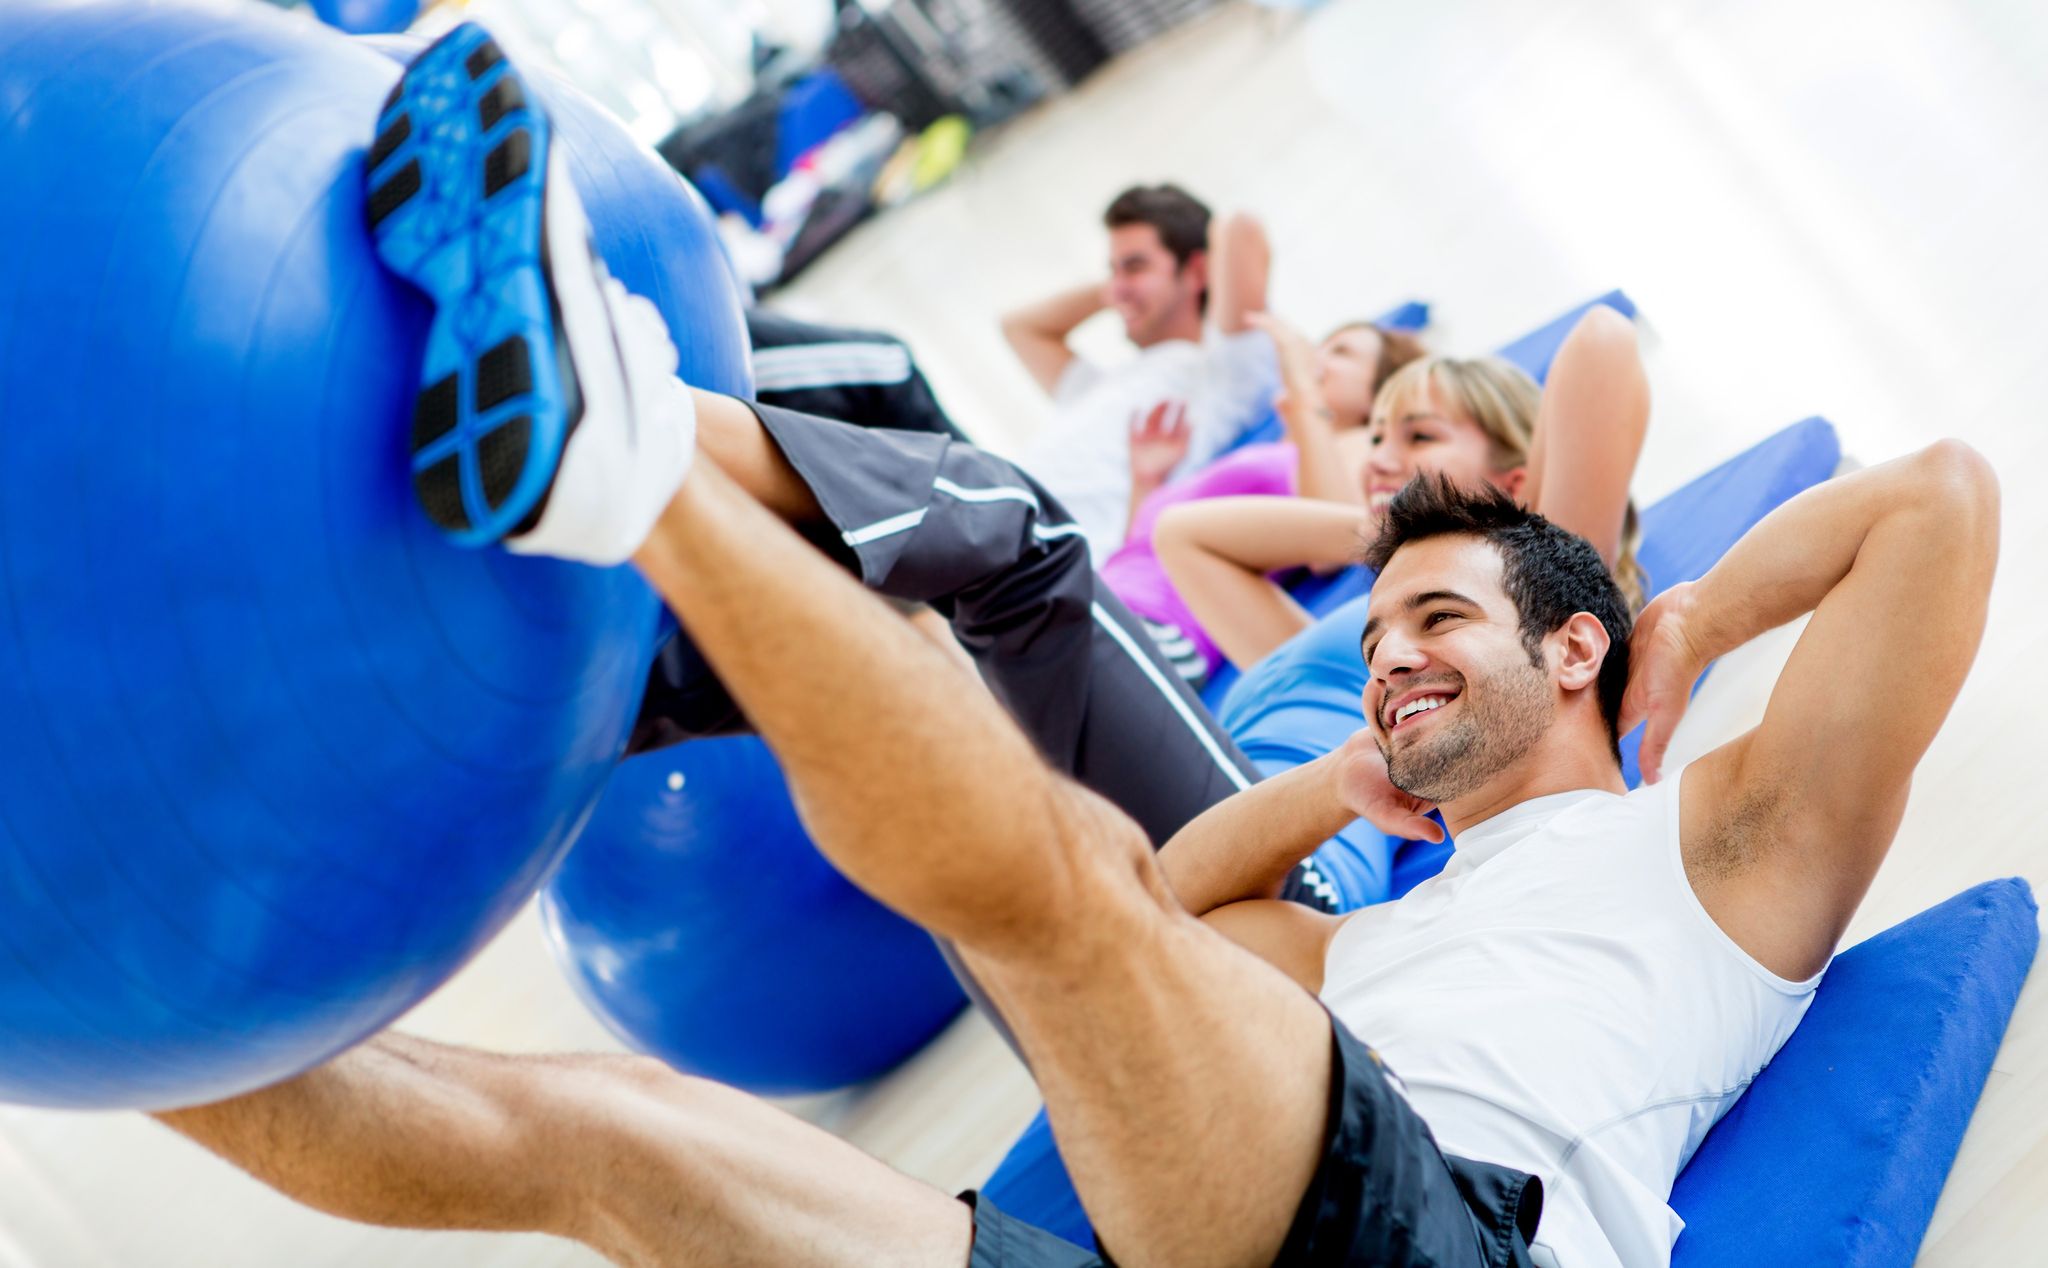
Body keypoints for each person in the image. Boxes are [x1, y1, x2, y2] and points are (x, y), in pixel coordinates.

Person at [155, 28, 2000, 1268]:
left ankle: (616, 446)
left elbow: (1935, 498)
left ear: (1576, 646)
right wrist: (1331, 784)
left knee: (1058, 890)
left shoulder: (1718, 854)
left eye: (1435, 617)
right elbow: (1175, 908)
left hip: (1445, 1228)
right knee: (610, 1140)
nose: (1393, 657)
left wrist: (1682, 619)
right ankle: (115, 1033)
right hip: (1226, 1201)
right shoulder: (1367, 929)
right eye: (1377, 634)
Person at [1156, 308, 1648, 674]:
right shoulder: (1365, 652)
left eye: (1421, 436)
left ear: (1513, 484)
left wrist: (1480, 517)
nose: (1378, 461)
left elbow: (1602, 341)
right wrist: (1389, 525)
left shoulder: (1537, 598)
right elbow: (1181, 537)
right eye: (1375, 438)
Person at [1106, 315, 1426, 684]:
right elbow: (1140, 548)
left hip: (1157, 625)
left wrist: (1304, 392)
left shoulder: (1357, 444)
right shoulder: (1269, 447)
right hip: (1112, 597)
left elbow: (1335, 542)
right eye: (1319, 347)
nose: (1315, 358)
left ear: (1379, 392)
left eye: (1341, 352)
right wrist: (1147, 479)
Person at [998, 188, 1281, 563]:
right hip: (997, 532)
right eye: (1112, 270)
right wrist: (1119, 288)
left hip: (1060, 563)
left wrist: (1201, 276)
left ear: (1197, 270)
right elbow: (1020, 326)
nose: (1117, 287)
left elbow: (1240, 227)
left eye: (1135, 266)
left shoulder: (1224, 373)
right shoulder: (1102, 385)